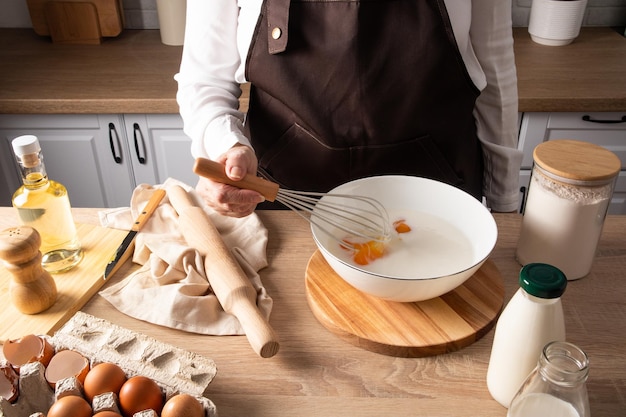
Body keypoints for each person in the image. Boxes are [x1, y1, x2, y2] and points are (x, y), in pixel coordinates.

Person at [175, 0, 523, 217]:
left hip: (439, 203)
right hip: (287, 205)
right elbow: (206, 80)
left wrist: (505, 202)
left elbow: (495, 68)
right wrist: (226, 147)